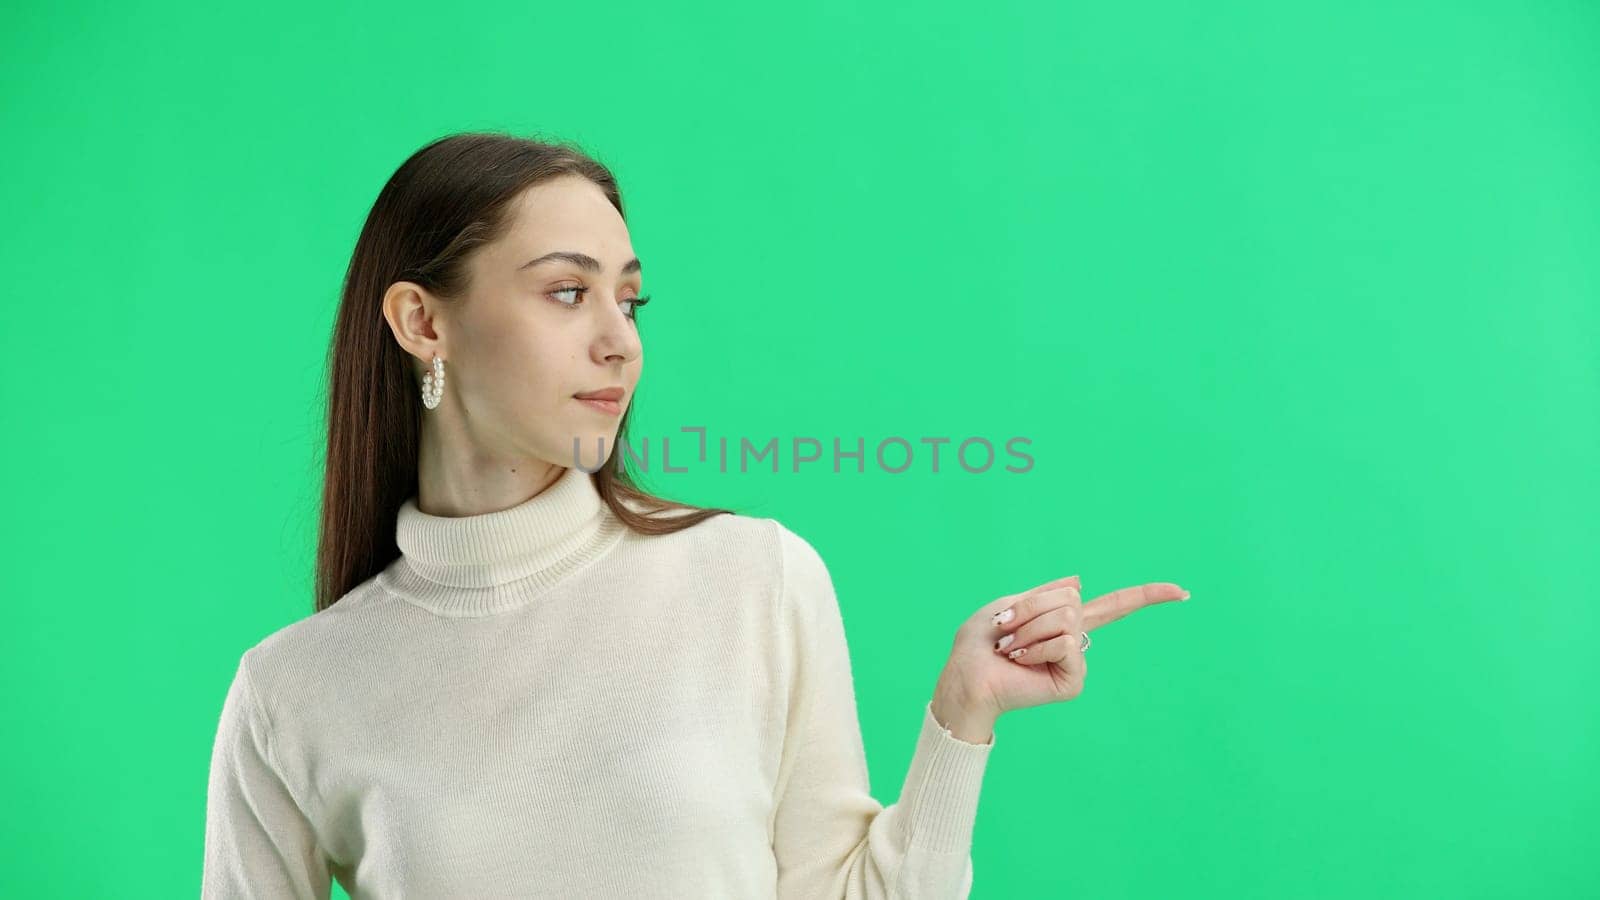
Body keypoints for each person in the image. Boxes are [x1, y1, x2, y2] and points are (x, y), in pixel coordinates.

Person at [201, 131, 1189, 898]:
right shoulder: (291, 693)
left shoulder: (753, 578)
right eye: (565, 292)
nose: (617, 343)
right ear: (423, 322)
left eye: (628, 302)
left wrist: (962, 716)